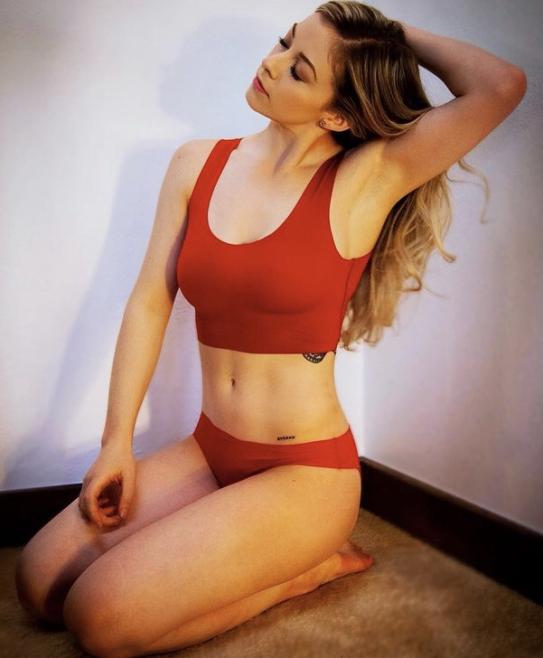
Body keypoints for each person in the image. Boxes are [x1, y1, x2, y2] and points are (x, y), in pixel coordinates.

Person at [15, 2, 526, 656]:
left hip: (305, 473)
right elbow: (149, 300)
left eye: (300, 68)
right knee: (38, 584)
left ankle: (301, 573)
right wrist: (115, 443)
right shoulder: (196, 163)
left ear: (336, 115)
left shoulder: (365, 180)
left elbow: (500, 85)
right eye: (285, 42)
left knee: (97, 620)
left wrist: (388, 33)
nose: (271, 63)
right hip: (210, 449)